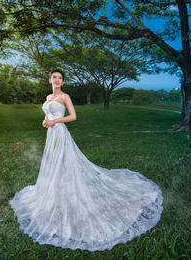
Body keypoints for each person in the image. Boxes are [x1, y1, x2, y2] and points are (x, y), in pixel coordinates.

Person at [9, 69, 163, 252]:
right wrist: (45, 121)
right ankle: (56, 191)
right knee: (52, 164)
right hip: (51, 133)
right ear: (49, 80)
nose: (57, 80)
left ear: (63, 82)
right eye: (54, 77)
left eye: (60, 78)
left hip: (59, 133)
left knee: (63, 163)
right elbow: (47, 115)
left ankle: (68, 193)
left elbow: (73, 116)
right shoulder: (48, 96)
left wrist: (54, 122)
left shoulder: (65, 96)